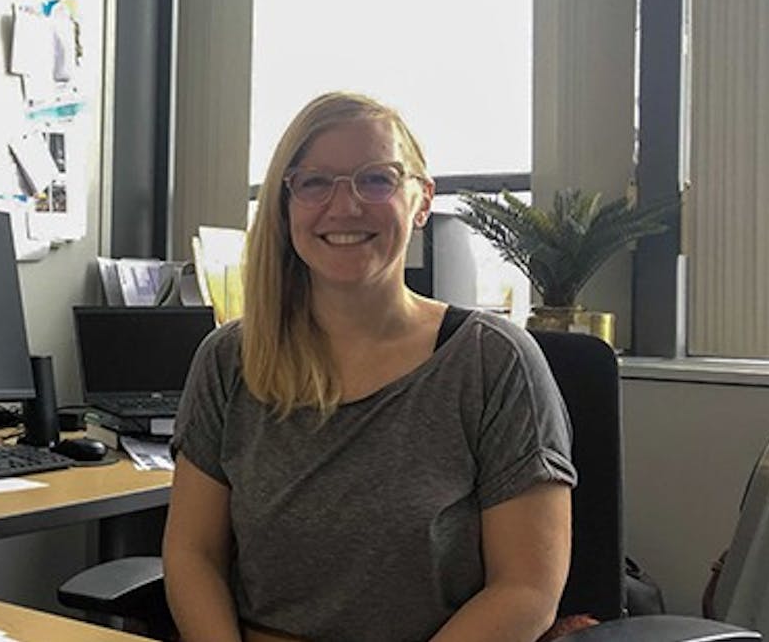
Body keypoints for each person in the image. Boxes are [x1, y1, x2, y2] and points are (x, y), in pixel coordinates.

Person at [165, 92, 577, 642]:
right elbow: (193, 554)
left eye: (376, 179)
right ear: (286, 205)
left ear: (422, 200)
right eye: (314, 182)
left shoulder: (491, 362)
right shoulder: (230, 359)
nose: (345, 206)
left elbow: (526, 590)